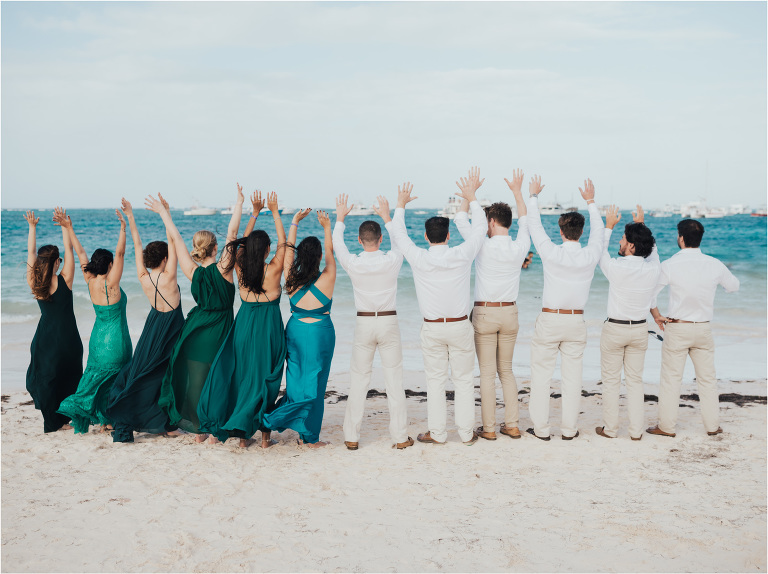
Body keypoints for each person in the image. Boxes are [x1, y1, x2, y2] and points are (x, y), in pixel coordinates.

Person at [386, 167, 488, 446]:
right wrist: (472, 197)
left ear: (427, 236)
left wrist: (400, 205)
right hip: (459, 326)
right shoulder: (461, 254)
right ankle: (467, 434)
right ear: (447, 236)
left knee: (435, 382)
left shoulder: (418, 256)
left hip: (432, 328)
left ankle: (439, 434)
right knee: (465, 380)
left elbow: (399, 234)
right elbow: (480, 231)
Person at [197, 191, 288, 448]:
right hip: (268, 326)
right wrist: (275, 211)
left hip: (245, 323)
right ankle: (265, 438)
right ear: (268, 249)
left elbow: (236, 244)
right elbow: (284, 241)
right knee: (267, 378)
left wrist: (255, 214)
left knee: (245, 376)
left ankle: (243, 437)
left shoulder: (239, 265)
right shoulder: (274, 268)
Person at [155, 185, 244, 442]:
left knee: (197, 380)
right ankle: (215, 429)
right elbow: (233, 233)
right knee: (218, 377)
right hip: (220, 327)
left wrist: (164, 213)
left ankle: (199, 431)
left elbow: (176, 239)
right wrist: (238, 203)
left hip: (195, 329)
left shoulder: (192, 272)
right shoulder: (224, 269)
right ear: (215, 248)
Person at [453, 168, 530, 441]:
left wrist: (469, 195)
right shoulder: (521, 245)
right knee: (506, 371)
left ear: (493, 221)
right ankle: (512, 425)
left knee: (487, 374)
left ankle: (488, 429)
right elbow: (526, 220)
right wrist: (518, 192)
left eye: (487, 221)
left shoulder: (481, 245)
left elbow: (461, 218)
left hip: (485, 313)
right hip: (510, 312)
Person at [526, 176, 604, 441]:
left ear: (561, 232)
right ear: (580, 233)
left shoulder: (552, 252)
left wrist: (533, 196)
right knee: (572, 380)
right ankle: (569, 430)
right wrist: (591, 201)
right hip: (576, 322)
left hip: (550, 319)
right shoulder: (590, 254)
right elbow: (599, 232)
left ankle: (541, 430)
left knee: (541, 377)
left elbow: (534, 227)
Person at [646, 219, 739, 438]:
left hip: (678, 328)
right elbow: (734, 286)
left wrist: (657, 315)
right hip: (703, 328)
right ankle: (712, 426)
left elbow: (650, 295)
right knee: (707, 380)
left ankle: (667, 427)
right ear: (700, 239)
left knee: (671, 379)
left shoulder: (669, 265)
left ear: (680, 238)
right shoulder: (714, 264)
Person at [333, 194, 412, 451]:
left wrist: (340, 219)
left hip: (364, 324)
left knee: (358, 380)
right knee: (394, 381)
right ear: (380, 239)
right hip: (389, 322)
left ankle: (352, 437)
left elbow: (338, 246)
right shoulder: (392, 260)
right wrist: (391, 215)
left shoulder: (354, 263)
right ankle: (400, 438)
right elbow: (400, 239)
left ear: (359, 240)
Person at [105, 197, 185, 443]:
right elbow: (174, 242)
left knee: (145, 374)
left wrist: (130, 217)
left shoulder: (143, 277)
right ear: (163, 260)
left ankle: (159, 422)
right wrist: (166, 214)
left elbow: (138, 244)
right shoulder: (169, 277)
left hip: (153, 328)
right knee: (166, 376)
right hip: (170, 329)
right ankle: (168, 425)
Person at [263, 209, 337, 448]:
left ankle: (281, 419)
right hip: (320, 333)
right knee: (316, 382)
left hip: (295, 330)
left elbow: (286, 253)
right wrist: (327, 227)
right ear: (317, 257)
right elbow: (330, 254)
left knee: (295, 381)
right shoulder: (328, 275)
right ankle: (309, 438)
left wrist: (294, 222)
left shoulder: (290, 277)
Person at [57, 209, 133, 434]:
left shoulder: (89, 280)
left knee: (95, 380)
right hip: (116, 340)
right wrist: (123, 228)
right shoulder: (112, 284)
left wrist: (69, 229)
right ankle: (109, 420)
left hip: (98, 339)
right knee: (115, 381)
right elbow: (120, 254)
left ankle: (101, 419)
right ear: (109, 265)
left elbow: (80, 253)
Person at [595, 205, 660, 441]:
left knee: (611, 382)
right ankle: (635, 432)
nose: (619, 243)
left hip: (615, 328)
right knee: (635, 382)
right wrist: (641, 226)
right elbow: (653, 253)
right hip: (640, 329)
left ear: (631, 246)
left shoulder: (615, 267)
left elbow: (598, 251)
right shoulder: (653, 270)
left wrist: (608, 226)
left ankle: (610, 430)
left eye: (623, 240)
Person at [23, 208, 83, 433]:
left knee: (47, 377)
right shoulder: (65, 279)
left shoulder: (35, 281)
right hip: (69, 337)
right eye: (59, 259)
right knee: (70, 375)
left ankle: (51, 422)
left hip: (46, 337)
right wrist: (66, 228)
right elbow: (69, 249)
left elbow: (30, 252)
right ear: (57, 262)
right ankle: (65, 419)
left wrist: (32, 227)